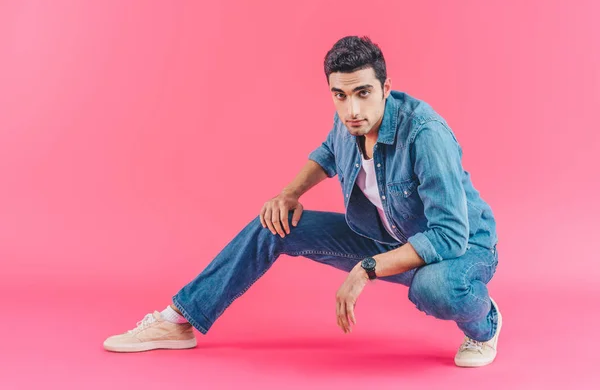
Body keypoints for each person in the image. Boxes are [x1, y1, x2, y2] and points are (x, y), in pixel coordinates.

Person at [103, 36, 501, 368]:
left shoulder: (425, 133)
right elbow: (328, 154)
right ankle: (179, 320)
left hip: (462, 248)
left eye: (363, 93)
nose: (352, 109)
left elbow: (448, 235)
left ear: (386, 87)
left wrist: (366, 270)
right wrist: (288, 194)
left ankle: (484, 324)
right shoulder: (349, 120)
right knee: (273, 224)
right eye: (340, 95)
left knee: (438, 287)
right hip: (386, 238)